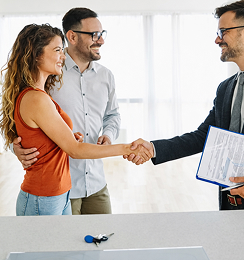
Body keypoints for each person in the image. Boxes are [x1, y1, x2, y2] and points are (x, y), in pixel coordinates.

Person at [128, 0, 244, 211]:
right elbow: (206, 136)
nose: (217, 40)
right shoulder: (226, 88)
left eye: (223, 32)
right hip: (231, 206)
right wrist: (153, 148)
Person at [0, 23, 147, 216]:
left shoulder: (41, 94)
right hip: (42, 198)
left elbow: (50, 139)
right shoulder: (36, 98)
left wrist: (66, 137)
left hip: (59, 193)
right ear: (36, 55)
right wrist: (127, 148)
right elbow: (75, 150)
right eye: (58, 50)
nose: (63, 56)